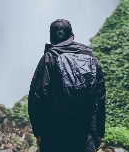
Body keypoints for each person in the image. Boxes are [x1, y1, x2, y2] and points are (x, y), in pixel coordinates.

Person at [28, 19, 106, 152]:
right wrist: (99, 132)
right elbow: (100, 97)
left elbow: (37, 96)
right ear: (72, 35)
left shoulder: (49, 58)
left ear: (51, 37)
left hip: (54, 133)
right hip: (85, 132)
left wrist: (38, 131)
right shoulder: (89, 56)